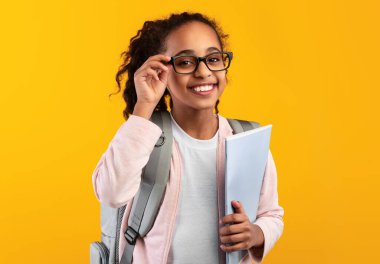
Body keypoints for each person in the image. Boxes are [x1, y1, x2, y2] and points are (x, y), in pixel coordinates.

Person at [92, 11, 284, 264]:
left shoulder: (247, 139)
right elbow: (111, 193)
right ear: (162, 71)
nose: (203, 72)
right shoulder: (144, 136)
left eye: (213, 59)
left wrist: (256, 233)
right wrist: (144, 107)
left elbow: (271, 214)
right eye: (185, 62)